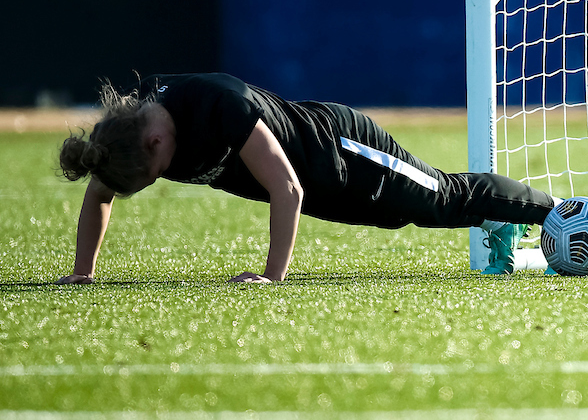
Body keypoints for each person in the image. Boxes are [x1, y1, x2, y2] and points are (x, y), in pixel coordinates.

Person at [56, 73, 554, 283]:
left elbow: (286, 188)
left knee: (440, 197)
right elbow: (101, 189)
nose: (163, 178)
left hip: (341, 149)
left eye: (156, 174)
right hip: (319, 186)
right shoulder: (124, 134)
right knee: (411, 216)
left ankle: (558, 211)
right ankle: (501, 223)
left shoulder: (217, 107)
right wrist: (84, 269)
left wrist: (272, 278)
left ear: (155, 144)